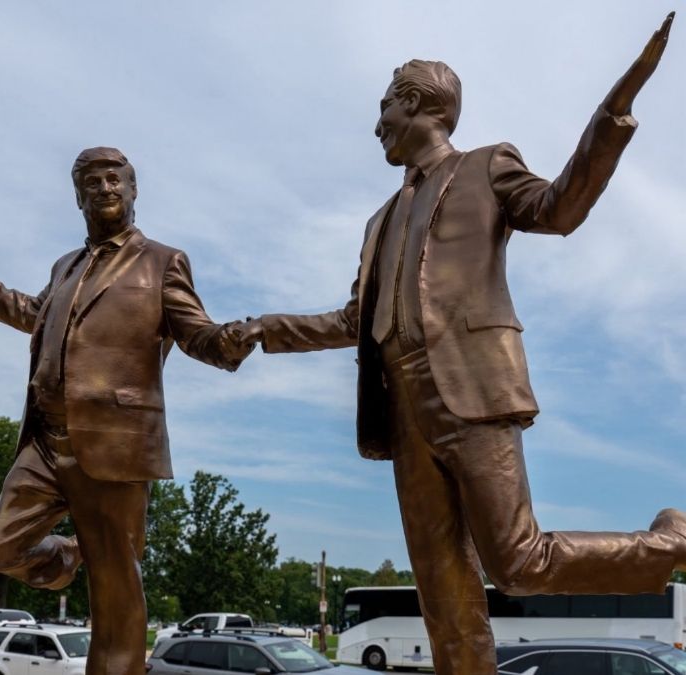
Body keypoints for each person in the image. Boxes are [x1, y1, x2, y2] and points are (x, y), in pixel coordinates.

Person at [228, 14, 682, 675]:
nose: (377, 124)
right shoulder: (379, 221)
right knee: (444, 597)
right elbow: (354, 318)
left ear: (415, 103)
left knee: (518, 561)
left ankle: (669, 542)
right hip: (403, 409)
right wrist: (264, 328)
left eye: (384, 107)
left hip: (472, 387)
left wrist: (612, 115)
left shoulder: (485, 166)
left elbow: (559, 208)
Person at [0, 147, 244, 675]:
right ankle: (67, 553)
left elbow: (195, 331)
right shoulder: (66, 265)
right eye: (92, 182)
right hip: (45, 440)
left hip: (115, 442)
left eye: (114, 179)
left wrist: (227, 343)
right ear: (78, 197)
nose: (105, 188)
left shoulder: (162, 261)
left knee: (116, 596)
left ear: (132, 190)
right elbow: (33, 314)